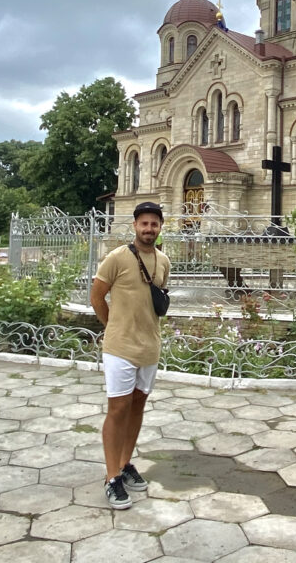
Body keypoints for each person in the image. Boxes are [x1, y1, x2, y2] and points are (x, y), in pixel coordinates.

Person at [90, 201, 170, 510]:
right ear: (135, 225)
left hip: (149, 346)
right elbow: (97, 296)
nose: (149, 229)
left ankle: (124, 464)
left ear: (160, 227)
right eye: (144, 223)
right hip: (120, 348)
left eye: (154, 224)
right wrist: (112, 326)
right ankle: (112, 477)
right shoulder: (117, 258)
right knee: (118, 408)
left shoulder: (163, 261)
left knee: (137, 406)